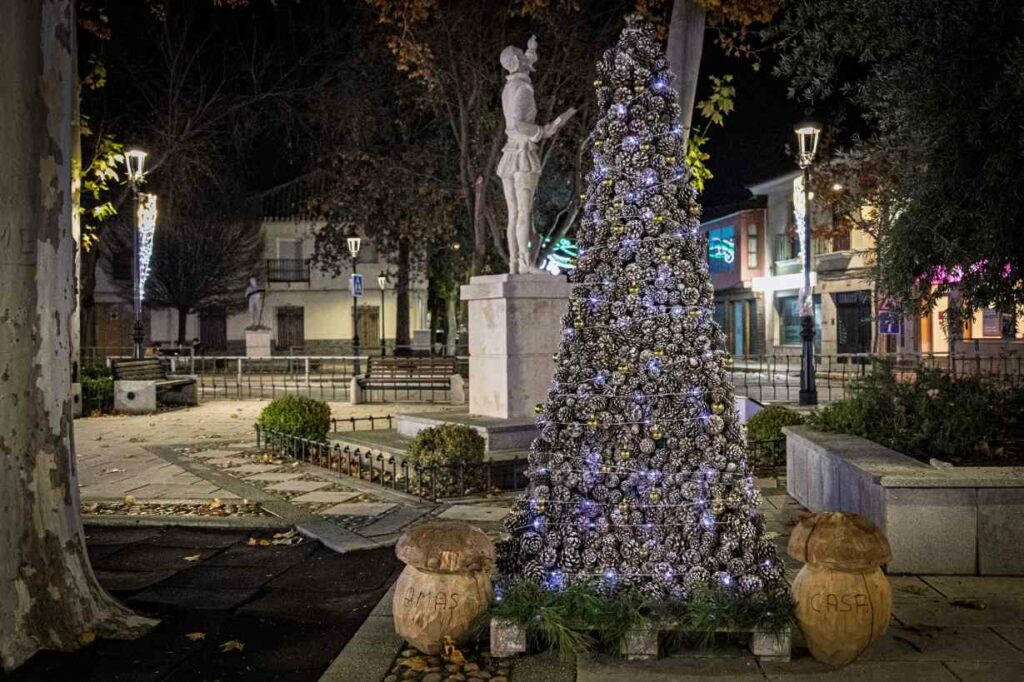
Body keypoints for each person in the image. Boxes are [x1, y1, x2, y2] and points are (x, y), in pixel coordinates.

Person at [497, 36, 575, 274]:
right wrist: (542, 131)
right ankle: (525, 264)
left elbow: (524, 65)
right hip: (523, 156)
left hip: (509, 156)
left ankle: (514, 264)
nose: (527, 58)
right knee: (523, 213)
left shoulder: (510, 87)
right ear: (518, 62)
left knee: (513, 215)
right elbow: (519, 124)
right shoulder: (523, 88)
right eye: (523, 56)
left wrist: (531, 51)